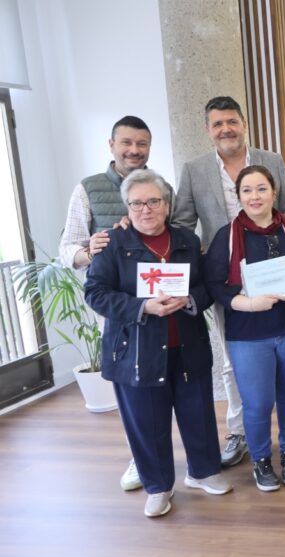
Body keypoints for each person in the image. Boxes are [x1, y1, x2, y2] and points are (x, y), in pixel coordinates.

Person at [171, 96, 285, 466]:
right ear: (208, 129)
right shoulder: (194, 170)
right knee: (235, 362)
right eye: (217, 124)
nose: (226, 129)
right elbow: (182, 224)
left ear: (244, 124)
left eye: (232, 121)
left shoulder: (271, 160)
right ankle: (239, 430)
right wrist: (206, 255)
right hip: (228, 282)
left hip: (276, 273)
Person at [84, 169, 230, 517]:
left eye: (153, 201)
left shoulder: (187, 240)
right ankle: (158, 486)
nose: (145, 209)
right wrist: (143, 306)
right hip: (136, 350)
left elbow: (207, 286)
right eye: (136, 203)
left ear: (167, 204)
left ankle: (203, 471)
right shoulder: (111, 243)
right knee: (146, 422)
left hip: (187, 343)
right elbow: (95, 293)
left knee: (198, 412)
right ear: (127, 207)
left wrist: (190, 299)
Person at [204, 166, 285, 492]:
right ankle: (260, 459)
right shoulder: (227, 237)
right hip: (248, 333)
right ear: (238, 196)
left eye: (261, 189)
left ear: (274, 193)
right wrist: (246, 303)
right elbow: (214, 285)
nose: (254, 196)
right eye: (247, 190)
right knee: (257, 402)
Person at [59, 115, 154, 492]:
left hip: (157, 299)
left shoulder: (157, 184)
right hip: (115, 305)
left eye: (141, 144)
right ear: (111, 145)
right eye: (126, 143)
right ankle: (139, 458)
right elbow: (67, 248)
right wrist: (89, 250)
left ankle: (161, 454)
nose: (134, 150)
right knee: (130, 386)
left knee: (159, 383)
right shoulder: (88, 188)